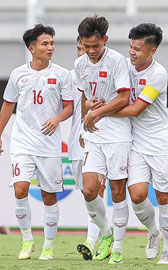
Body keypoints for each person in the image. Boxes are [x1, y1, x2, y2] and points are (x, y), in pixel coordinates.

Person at [87, 23, 168, 265]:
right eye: (130, 47)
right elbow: (111, 96)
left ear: (152, 51)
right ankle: (154, 232)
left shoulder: (157, 74)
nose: (132, 53)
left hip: (161, 142)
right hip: (135, 141)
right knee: (136, 195)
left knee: (164, 195)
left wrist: (100, 113)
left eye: (137, 49)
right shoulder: (124, 66)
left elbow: (135, 109)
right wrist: (95, 104)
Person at [0, 24, 73, 261]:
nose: (50, 48)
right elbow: (8, 104)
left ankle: (48, 246)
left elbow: (69, 107)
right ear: (32, 47)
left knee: (49, 196)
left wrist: (57, 118)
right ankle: (27, 241)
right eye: (45, 43)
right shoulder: (18, 74)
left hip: (48, 145)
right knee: (20, 189)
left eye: (52, 43)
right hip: (22, 142)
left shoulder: (61, 74)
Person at [74, 15, 132, 264]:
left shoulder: (118, 61)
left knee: (118, 191)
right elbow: (85, 98)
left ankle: (118, 246)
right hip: (94, 134)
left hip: (117, 133)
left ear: (105, 40)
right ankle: (107, 234)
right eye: (86, 46)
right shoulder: (80, 64)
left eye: (95, 46)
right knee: (88, 190)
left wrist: (95, 111)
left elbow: (124, 98)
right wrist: (88, 109)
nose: (91, 51)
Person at [69, 36, 107, 261]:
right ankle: (105, 234)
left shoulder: (106, 73)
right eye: (79, 48)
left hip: (101, 140)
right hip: (77, 141)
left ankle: (92, 241)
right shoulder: (70, 76)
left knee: (97, 190)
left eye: (88, 48)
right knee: (87, 192)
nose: (83, 52)